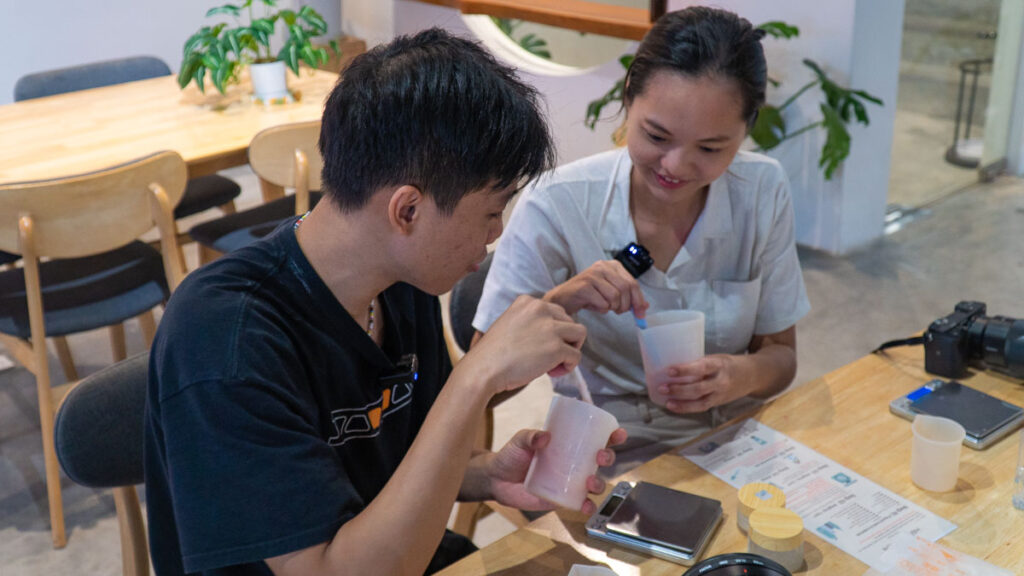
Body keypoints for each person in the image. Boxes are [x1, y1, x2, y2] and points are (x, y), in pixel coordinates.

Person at [144, 28, 626, 576]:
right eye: (491, 211)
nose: (494, 234)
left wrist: (485, 473)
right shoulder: (225, 337)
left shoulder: (399, 281)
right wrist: (477, 377)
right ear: (407, 211)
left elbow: (397, 459)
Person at [473, 7, 810, 476]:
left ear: (745, 131)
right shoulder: (558, 203)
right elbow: (480, 389)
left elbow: (782, 356)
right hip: (605, 449)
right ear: (629, 96)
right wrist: (559, 305)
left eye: (711, 149)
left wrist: (738, 375)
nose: (675, 165)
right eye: (657, 135)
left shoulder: (760, 190)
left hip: (734, 438)